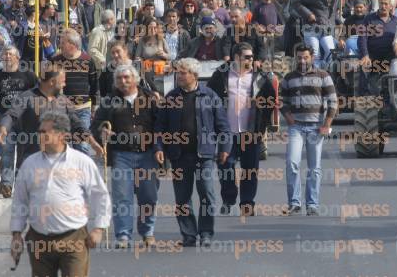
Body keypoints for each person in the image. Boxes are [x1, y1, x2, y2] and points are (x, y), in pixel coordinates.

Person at [10, 111, 111, 277]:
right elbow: (20, 201)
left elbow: (100, 195)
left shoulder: (81, 162)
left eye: (45, 133)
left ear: (62, 136)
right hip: (39, 240)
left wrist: (99, 228)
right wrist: (16, 235)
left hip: (74, 239)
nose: (40, 136)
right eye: (39, 132)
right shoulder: (30, 164)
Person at [155, 58, 231, 247]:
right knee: (182, 198)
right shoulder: (171, 98)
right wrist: (158, 148)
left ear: (194, 75)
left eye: (183, 73)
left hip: (204, 155)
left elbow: (223, 126)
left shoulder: (210, 96)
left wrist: (224, 148)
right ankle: (188, 234)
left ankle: (206, 233)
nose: (179, 76)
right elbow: (160, 127)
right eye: (178, 72)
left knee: (206, 193)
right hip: (179, 156)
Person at [91, 64, 159, 248]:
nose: (123, 81)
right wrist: (102, 131)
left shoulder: (150, 98)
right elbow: (97, 124)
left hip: (147, 154)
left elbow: (161, 125)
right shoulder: (109, 101)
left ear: (135, 79)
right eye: (119, 78)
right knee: (122, 196)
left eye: (127, 78)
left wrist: (160, 149)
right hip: (121, 154)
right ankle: (123, 235)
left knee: (149, 196)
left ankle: (147, 232)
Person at [0, 66, 102, 182]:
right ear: (52, 82)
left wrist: (92, 142)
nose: (65, 85)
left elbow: (77, 124)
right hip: (31, 163)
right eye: (62, 81)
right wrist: (3, 127)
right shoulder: (27, 97)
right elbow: (11, 114)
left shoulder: (64, 101)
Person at [207, 43, 276, 216]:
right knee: (226, 168)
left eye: (252, 57)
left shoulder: (260, 78)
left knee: (250, 170)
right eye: (247, 56)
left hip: (250, 133)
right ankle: (229, 199)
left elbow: (270, 100)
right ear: (236, 57)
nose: (251, 59)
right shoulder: (221, 75)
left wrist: (261, 125)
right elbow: (208, 98)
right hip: (227, 133)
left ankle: (247, 203)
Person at [281, 44, 338, 215]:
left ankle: (312, 204)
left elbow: (333, 101)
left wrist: (327, 124)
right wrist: (288, 116)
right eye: (299, 57)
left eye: (305, 57)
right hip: (296, 126)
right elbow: (282, 101)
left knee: (314, 167)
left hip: (316, 127)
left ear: (312, 57)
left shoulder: (323, 76)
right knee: (292, 163)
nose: (302, 60)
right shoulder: (289, 78)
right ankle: (294, 202)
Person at [0, 45, 37, 197]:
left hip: (26, 119)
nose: (6, 57)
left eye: (10, 55)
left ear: (17, 58)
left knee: (24, 153)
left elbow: (38, 94)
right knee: (6, 151)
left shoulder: (29, 75)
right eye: (4, 55)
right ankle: (6, 184)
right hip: (6, 120)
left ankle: (20, 183)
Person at [51, 29, 99, 143]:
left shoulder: (88, 60)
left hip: (83, 109)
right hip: (62, 110)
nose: (60, 45)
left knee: (82, 145)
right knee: (63, 145)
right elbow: (49, 85)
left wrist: (94, 107)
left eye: (63, 43)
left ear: (72, 44)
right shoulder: (55, 61)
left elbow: (94, 85)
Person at [292, 0, 341, 68]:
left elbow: (333, 13)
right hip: (311, 29)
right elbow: (296, 2)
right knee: (315, 54)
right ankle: (316, 76)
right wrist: (308, 14)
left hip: (326, 29)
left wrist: (339, 22)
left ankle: (326, 73)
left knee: (331, 51)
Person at [358, 0, 397, 70]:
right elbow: (362, 38)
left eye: (386, 4)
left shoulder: (396, 21)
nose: (383, 6)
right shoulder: (369, 18)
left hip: (391, 59)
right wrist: (365, 55)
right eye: (381, 3)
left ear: (391, 6)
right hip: (372, 58)